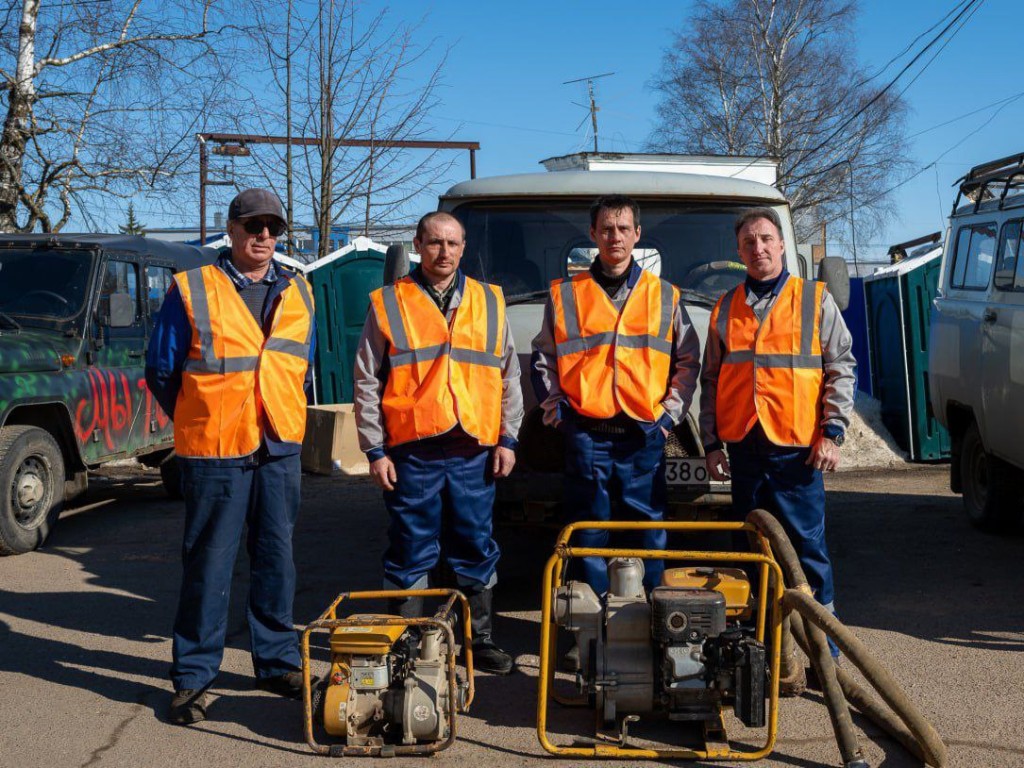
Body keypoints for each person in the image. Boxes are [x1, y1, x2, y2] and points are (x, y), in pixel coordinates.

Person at [146, 188, 316, 724]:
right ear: (232, 229)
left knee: (276, 560)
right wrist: (202, 417)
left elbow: (298, 370)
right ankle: (193, 678)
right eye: (253, 225)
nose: (264, 235)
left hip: (279, 447)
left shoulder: (300, 291)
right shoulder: (193, 289)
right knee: (209, 564)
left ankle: (277, 662)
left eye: (273, 227)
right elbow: (161, 370)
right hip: (215, 451)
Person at [353, 211, 523, 675]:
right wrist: (374, 449)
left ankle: (478, 638)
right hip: (413, 451)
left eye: (452, 243)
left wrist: (508, 437)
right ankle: (408, 639)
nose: (443, 252)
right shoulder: (390, 302)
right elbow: (367, 379)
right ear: (417, 245)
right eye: (433, 243)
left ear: (463, 247)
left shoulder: (490, 302)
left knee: (475, 544)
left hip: (473, 447)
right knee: (411, 546)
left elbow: (509, 374)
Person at [699, 207, 856, 656]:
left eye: (766, 239)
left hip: (797, 452)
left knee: (807, 551)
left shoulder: (813, 299)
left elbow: (841, 366)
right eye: (749, 242)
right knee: (750, 550)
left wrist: (834, 430)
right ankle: (762, 644)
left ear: (783, 244)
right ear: (738, 251)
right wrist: (711, 443)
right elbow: (712, 380)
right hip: (744, 451)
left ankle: (825, 653)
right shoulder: (726, 307)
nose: (758, 248)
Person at [531, 195, 701, 597]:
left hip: (643, 435)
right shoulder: (565, 294)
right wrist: (558, 412)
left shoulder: (665, 295)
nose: (615, 237)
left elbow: (688, 361)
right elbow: (543, 357)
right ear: (593, 234)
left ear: (637, 234)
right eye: (606, 229)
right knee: (589, 530)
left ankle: (652, 619)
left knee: (650, 529)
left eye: (623, 229)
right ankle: (596, 625)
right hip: (587, 435)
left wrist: (667, 417)